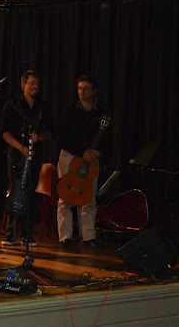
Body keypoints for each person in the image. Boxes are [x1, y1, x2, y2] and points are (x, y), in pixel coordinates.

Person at [0, 70, 53, 247]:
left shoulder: (43, 107)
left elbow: (50, 133)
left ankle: (26, 235)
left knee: (30, 193)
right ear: (23, 85)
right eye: (31, 83)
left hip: (35, 156)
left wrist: (40, 137)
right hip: (16, 154)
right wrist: (20, 147)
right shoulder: (12, 105)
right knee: (14, 190)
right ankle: (10, 234)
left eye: (37, 84)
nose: (35, 86)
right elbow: (4, 132)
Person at [57, 75, 108, 248]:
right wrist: (81, 152)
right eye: (79, 88)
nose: (82, 91)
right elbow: (61, 138)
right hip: (70, 157)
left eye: (86, 88)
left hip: (91, 159)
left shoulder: (101, 114)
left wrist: (98, 153)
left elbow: (108, 140)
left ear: (94, 91)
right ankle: (65, 237)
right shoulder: (69, 111)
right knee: (65, 196)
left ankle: (88, 236)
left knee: (89, 197)